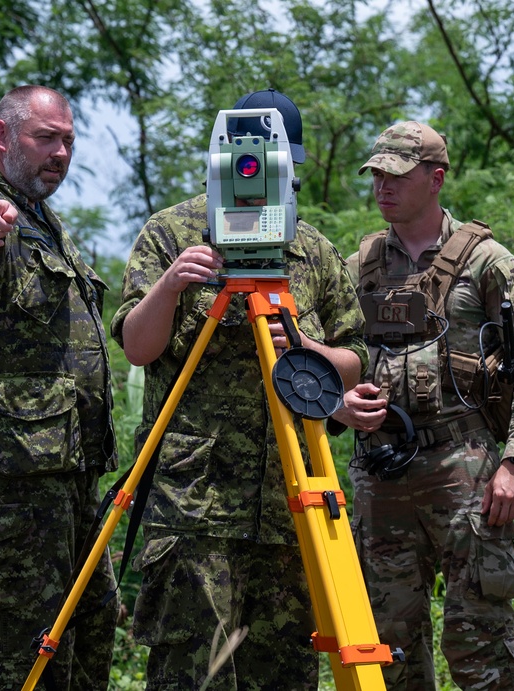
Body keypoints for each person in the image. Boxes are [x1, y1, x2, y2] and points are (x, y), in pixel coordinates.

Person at [111, 88, 369, 689]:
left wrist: (304, 348)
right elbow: (136, 347)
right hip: (195, 503)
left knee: (285, 674)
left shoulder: (313, 251)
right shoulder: (172, 233)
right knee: (193, 674)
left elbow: (354, 360)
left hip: (292, 503)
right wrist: (172, 287)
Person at [332, 121, 514, 689]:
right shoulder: (358, 267)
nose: (383, 186)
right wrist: (338, 405)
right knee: (388, 642)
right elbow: (331, 355)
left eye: (397, 175)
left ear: (436, 178)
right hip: (381, 472)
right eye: (377, 175)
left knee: (479, 636)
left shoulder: (488, 263)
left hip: (465, 468)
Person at [0, 85, 119, 689]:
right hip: (6, 477)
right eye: (45, 138)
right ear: (3, 137)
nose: (61, 153)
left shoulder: (41, 217)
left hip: (64, 470)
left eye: (68, 141)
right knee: (23, 655)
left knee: (91, 627)